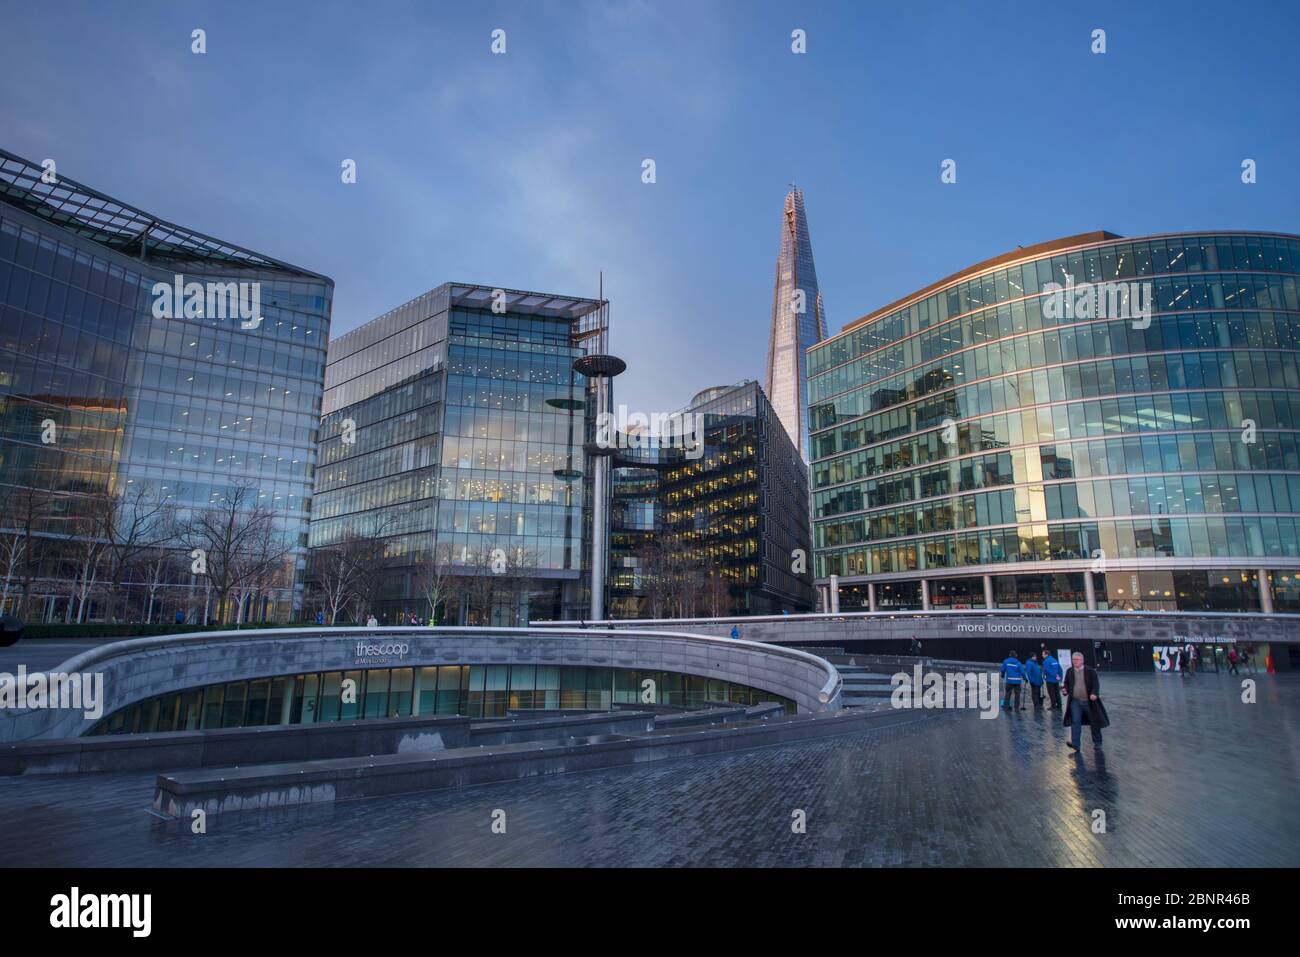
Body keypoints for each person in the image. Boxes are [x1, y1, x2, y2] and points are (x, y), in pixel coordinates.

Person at [1062, 651, 1109, 750]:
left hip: (1089, 701)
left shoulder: (1090, 671)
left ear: (1082, 660)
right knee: (1075, 721)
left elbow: (1095, 684)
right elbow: (1066, 683)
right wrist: (1065, 690)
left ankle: (1097, 742)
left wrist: (1094, 693)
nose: (1075, 662)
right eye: (1073, 660)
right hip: (1075, 701)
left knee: (1094, 721)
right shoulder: (1070, 671)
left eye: (1077, 660)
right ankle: (1076, 744)